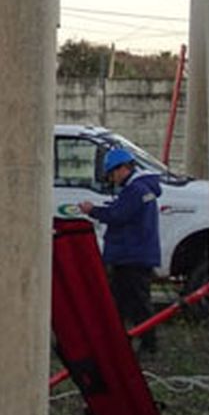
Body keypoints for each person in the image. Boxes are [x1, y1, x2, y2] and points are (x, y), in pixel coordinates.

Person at [80, 146, 163, 355]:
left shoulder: (135, 191)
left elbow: (117, 215)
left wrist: (93, 211)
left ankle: (147, 344)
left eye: (112, 173)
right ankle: (119, 342)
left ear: (122, 169)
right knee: (124, 303)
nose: (112, 179)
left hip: (130, 256)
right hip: (136, 255)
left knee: (136, 303)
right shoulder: (143, 189)